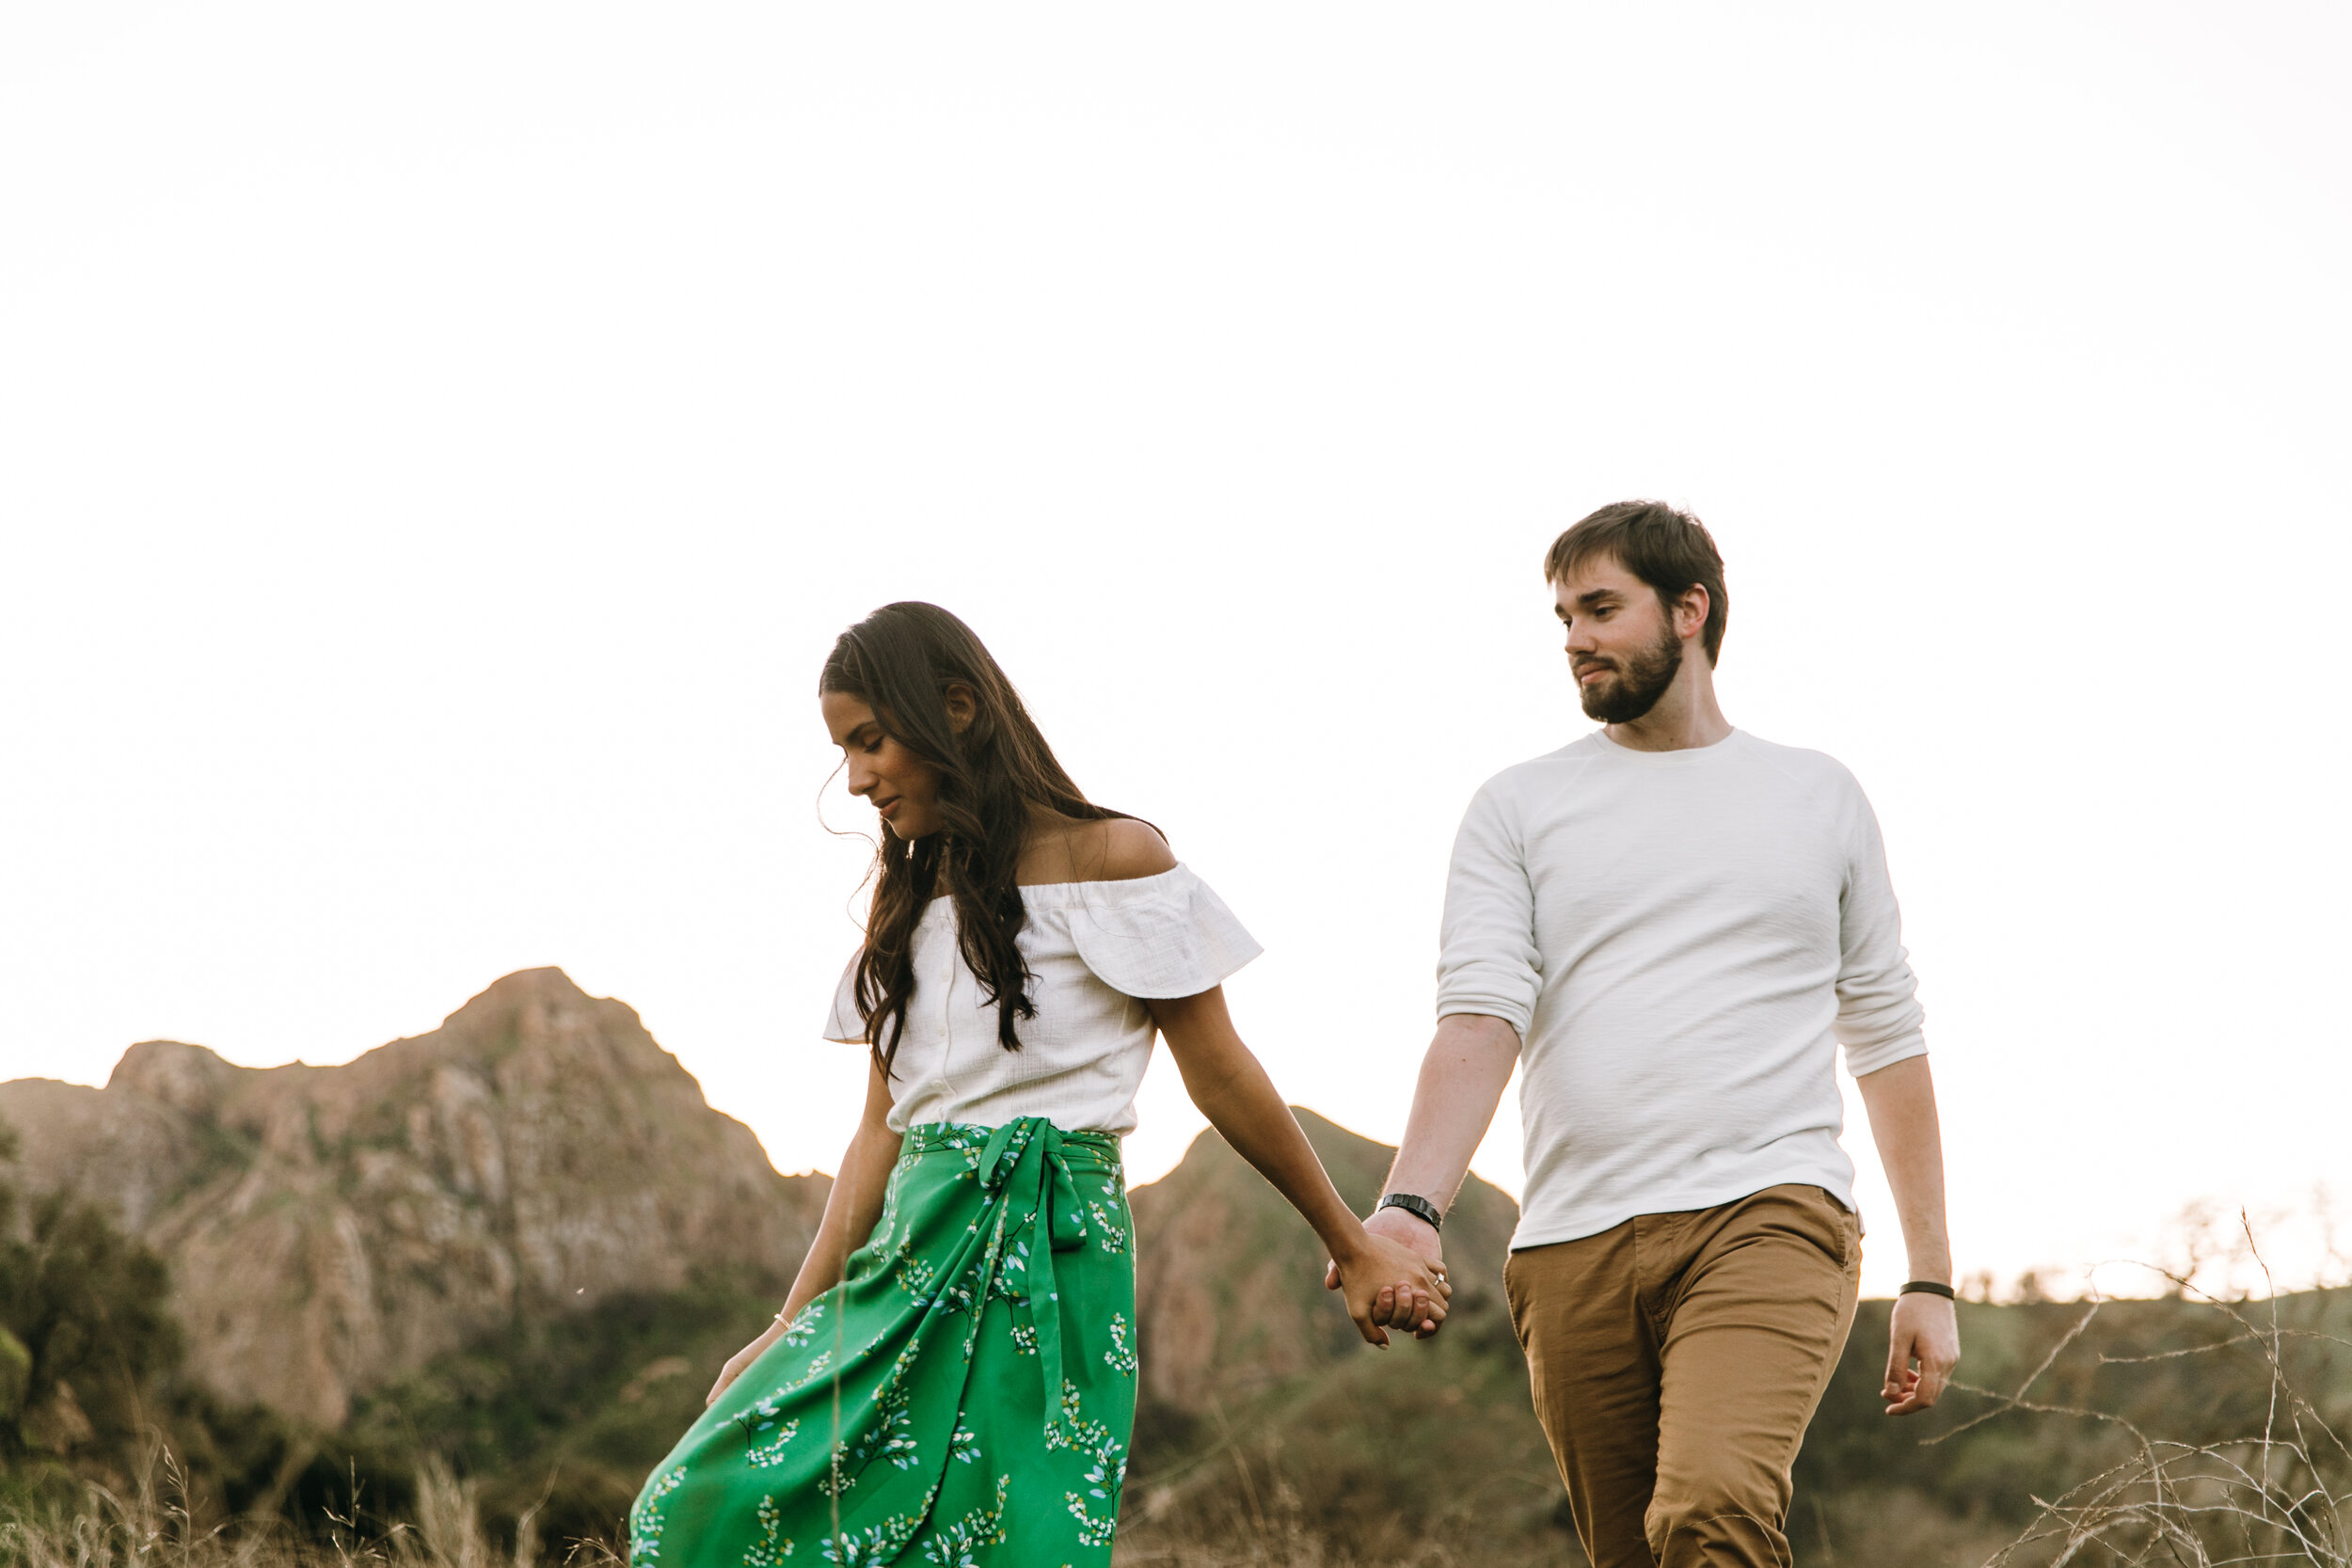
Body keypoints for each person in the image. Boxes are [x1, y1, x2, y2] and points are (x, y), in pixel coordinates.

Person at [628, 601, 1446, 1568]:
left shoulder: (1121, 862)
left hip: (1056, 1261)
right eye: (844, 750)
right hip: (907, 1260)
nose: (854, 778)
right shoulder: (905, 899)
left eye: (870, 741)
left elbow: (1222, 1074)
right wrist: (788, 1324)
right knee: (690, 1509)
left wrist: (1349, 1241)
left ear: (958, 708)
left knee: (1017, 1541)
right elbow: (878, 1136)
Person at [1344, 502, 1961, 1568]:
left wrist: (1931, 1276)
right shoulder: (1519, 805)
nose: (1574, 637)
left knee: (1709, 1510)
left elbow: (1888, 1032)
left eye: (1599, 607)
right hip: (1573, 1241)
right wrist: (1409, 1203)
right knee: (1637, 1552)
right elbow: (1481, 1013)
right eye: (1561, 616)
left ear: (1689, 610)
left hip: (1769, 1212)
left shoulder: (1816, 795)